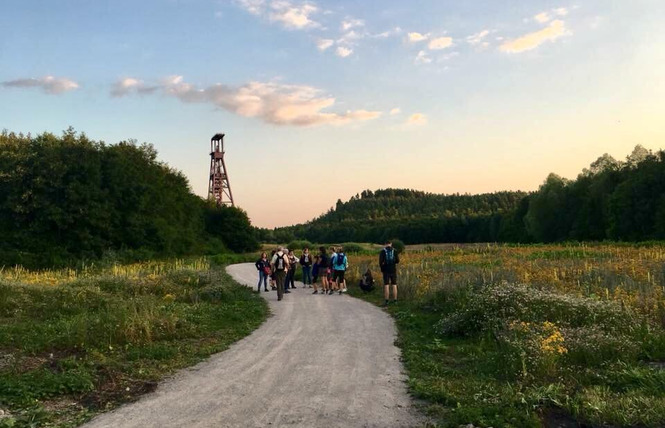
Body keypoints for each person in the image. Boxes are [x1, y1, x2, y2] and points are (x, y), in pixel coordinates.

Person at [379, 240, 400, 306]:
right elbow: (398, 261)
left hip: (386, 270)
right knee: (394, 284)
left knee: (386, 285)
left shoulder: (383, 251)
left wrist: (382, 269)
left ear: (385, 244)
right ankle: (395, 300)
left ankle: (387, 301)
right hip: (393, 270)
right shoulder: (395, 251)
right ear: (391, 244)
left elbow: (380, 262)